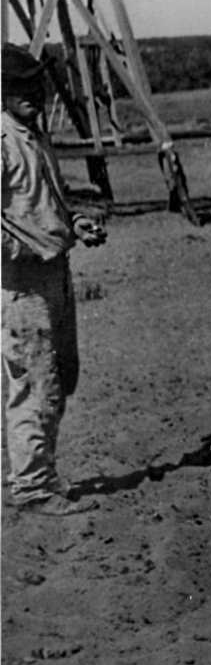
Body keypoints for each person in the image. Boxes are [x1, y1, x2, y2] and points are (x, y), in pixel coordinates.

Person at [2, 44, 107, 516]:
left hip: (53, 275)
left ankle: (31, 472)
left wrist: (74, 224)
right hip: (22, 285)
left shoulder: (34, 138)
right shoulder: (3, 141)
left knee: (59, 377)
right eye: (20, 87)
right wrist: (29, 246)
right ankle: (33, 488)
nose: (33, 95)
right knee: (35, 381)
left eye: (37, 86)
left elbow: (47, 203)